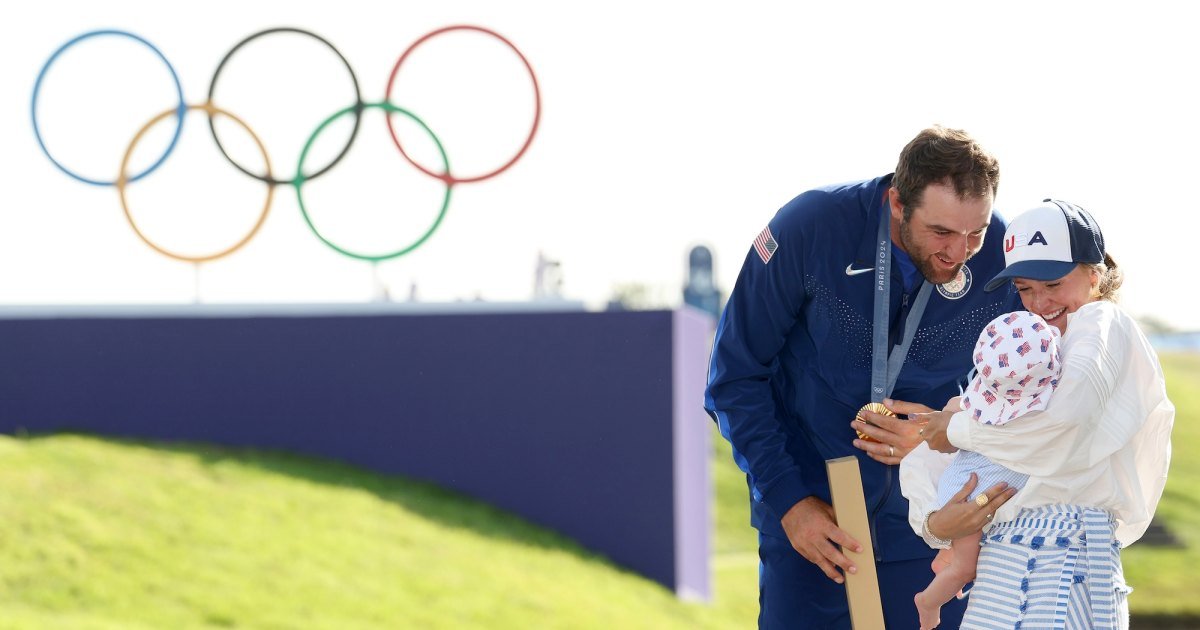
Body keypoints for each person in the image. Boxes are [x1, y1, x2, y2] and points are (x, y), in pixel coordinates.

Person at [704, 125, 1022, 629]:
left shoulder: (1002, 255)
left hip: (928, 528)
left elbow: (1029, 396)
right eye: (941, 233)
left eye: (975, 233)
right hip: (813, 525)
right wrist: (789, 501)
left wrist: (941, 430)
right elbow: (735, 375)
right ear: (897, 203)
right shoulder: (809, 228)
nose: (960, 253)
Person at [905, 200, 1174, 628]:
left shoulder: (1102, 324)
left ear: (1095, 273)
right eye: (1027, 289)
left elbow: (1064, 425)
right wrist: (937, 523)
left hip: (1064, 563)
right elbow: (941, 455)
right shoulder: (1028, 346)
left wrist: (958, 430)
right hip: (1000, 565)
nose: (1040, 302)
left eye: (1053, 283)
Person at [909, 310, 1063, 630]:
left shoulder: (979, 399)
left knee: (967, 552)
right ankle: (928, 602)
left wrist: (954, 410)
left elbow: (954, 406)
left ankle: (948, 557)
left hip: (968, 477)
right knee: (967, 568)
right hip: (971, 490)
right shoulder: (1034, 411)